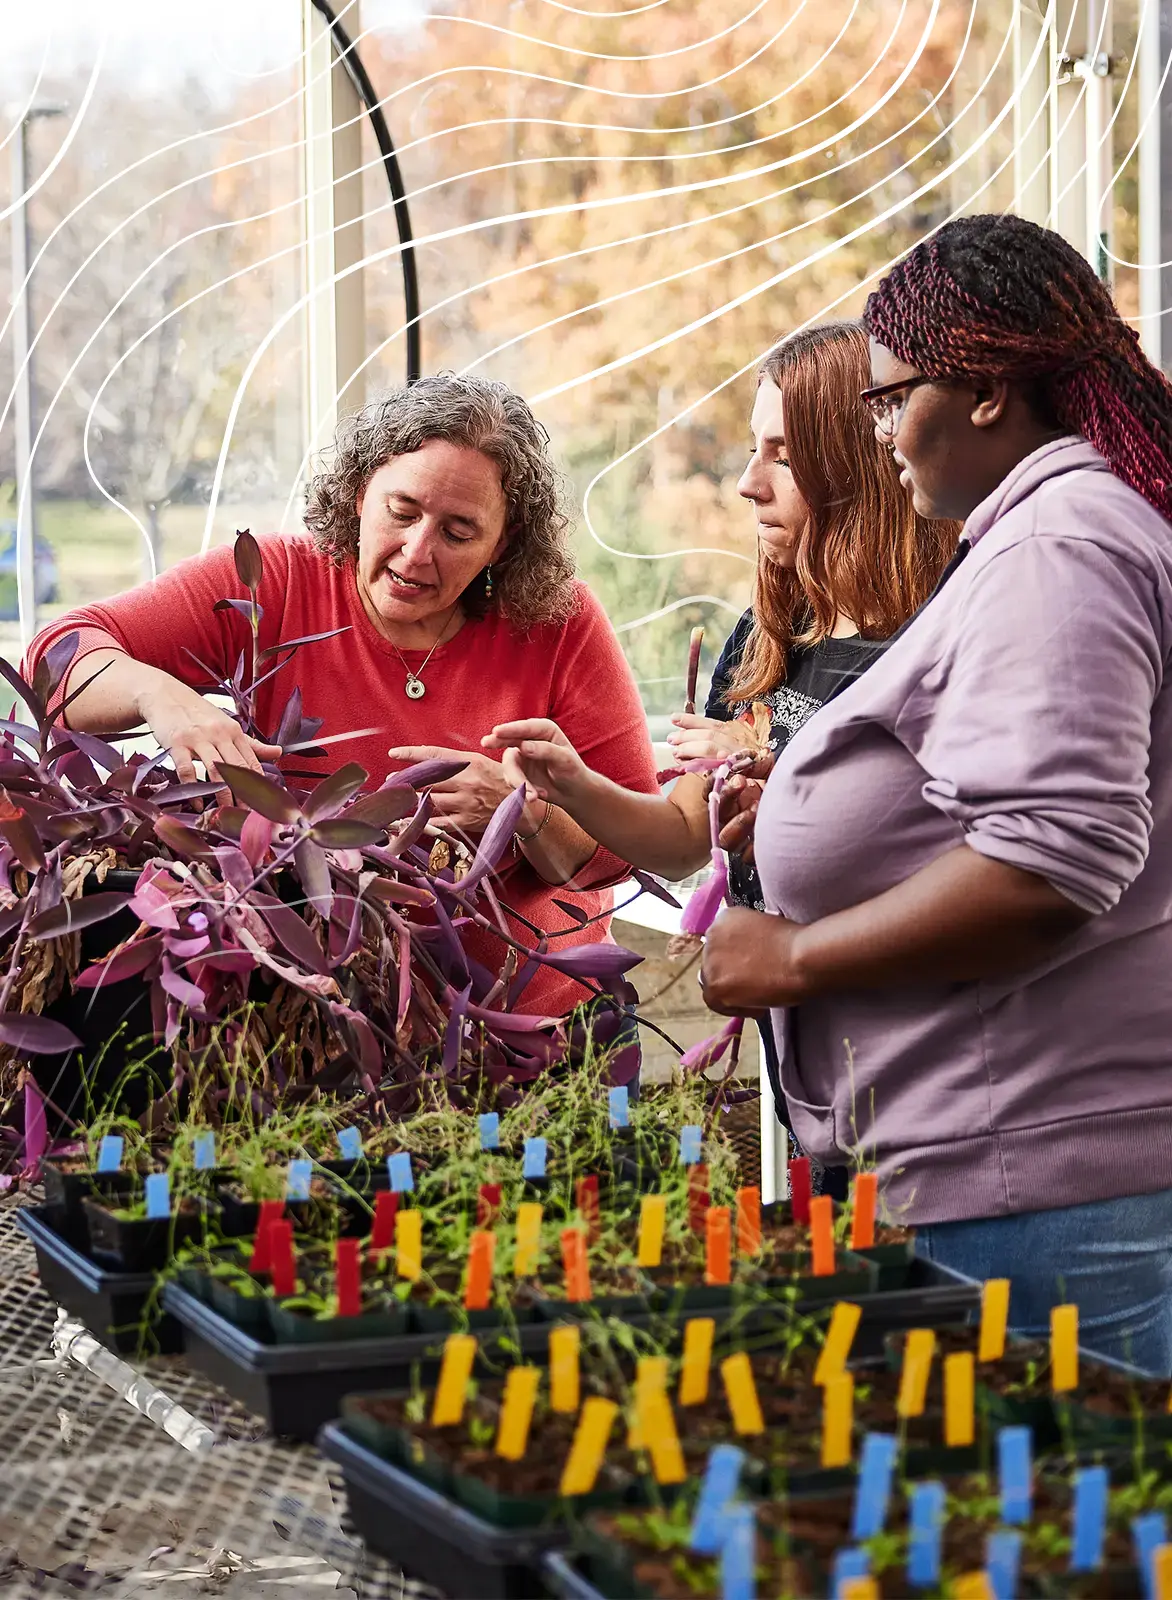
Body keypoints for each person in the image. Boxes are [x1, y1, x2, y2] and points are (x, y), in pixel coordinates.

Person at [700, 213, 1172, 1374]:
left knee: (1061, 1538)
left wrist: (794, 959)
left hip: (1035, 1178)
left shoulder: (1059, 543)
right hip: (1015, 1168)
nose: (881, 434)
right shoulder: (1060, 527)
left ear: (979, 392)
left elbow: (1047, 859)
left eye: (885, 399)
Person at [25, 374, 659, 1025]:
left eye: (459, 532)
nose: (417, 552)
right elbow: (55, 657)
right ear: (360, 492)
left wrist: (521, 811)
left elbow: (628, 847)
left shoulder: (558, 624)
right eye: (402, 511)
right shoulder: (279, 585)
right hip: (322, 1031)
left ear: (505, 539)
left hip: (539, 1030)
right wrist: (159, 693)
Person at [484, 323, 953, 1161]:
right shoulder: (769, 639)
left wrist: (785, 793)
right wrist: (569, 781)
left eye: (781, 453)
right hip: (804, 1061)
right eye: (750, 449)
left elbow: (950, 853)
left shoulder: (930, 643)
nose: (746, 483)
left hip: (916, 1056)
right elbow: (674, 842)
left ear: (854, 460)